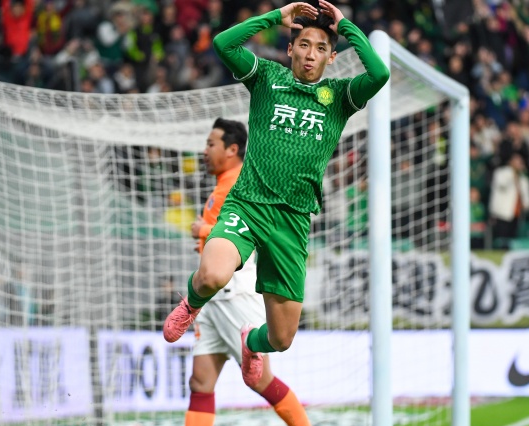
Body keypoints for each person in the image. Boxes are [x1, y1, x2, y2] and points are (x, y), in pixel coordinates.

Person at [162, 1, 388, 390]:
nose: (311, 54)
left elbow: (380, 73)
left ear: (331, 58)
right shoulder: (267, 78)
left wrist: (346, 26)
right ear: (290, 48)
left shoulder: (340, 97)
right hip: (249, 204)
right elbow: (223, 44)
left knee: (281, 339)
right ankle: (190, 305)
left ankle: (251, 343)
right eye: (304, 44)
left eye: (321, 47)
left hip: (293, 220)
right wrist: (274, 17)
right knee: (213, 274)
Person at [146, 119, 326, 426]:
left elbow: (254, 233)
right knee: (200, 380)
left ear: (232, 149)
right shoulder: (222, 183)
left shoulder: (242, 182)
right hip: (213, 300)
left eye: (211, 143)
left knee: (260, 380)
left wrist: (203, 231)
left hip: (235, 291)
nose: (205, 150)